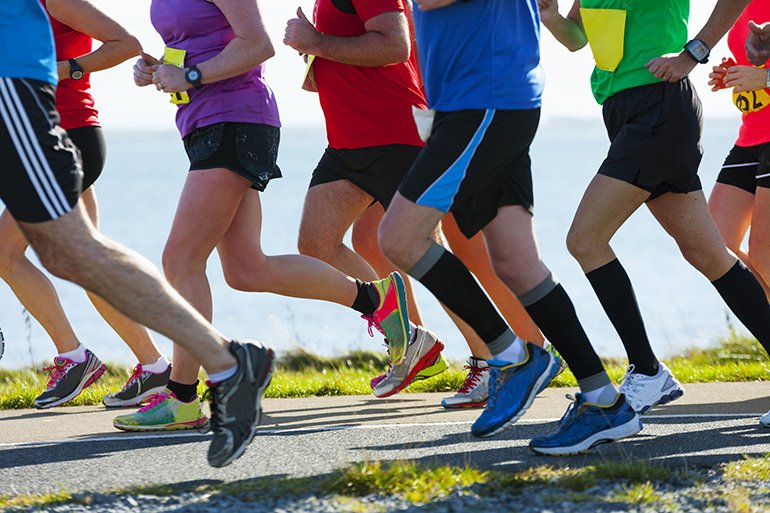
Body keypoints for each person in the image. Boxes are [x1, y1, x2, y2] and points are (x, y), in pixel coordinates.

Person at [1, 0, 275, 468]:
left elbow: (253, 44)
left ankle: (218, 366)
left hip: (29, 105)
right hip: (186, 121)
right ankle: (172, 368)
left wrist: (186, 76)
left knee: (79, 253)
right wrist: (170, 70)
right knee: (81, 255)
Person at [112, 0, 409, 431]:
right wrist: (160, 68)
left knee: (180, 261)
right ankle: (375, 300)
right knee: (246, 269)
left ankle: (182, 397)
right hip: (201, 121)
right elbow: (202, 44)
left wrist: (190, 75)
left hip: (235, 120)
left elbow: (259, 45)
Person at [376, 0, 641, 456]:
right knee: (518, 264)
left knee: (399, 237)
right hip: (484, 99)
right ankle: (604, 401)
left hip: (484, 100)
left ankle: (510, 357)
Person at [284, 0, 546, 403]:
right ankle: (412, 339)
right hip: (347, 143)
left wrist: (318, 41)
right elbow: (350, 58)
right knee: (316, 243)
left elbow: (396, 47)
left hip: (395, 135)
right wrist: (317, 50)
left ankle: (494, 359)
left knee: (430, 255)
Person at [538, 0, 770, 420]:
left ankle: (646, 371)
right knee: (708, 253)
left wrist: (693, 53)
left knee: (585, 240)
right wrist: (552, 18)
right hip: (624, 113)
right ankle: (649, 374)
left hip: (659, 108)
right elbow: (576, 39)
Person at [0, 0, 172, 410]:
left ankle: (74, 357)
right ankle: (155, 367)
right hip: (41, 142)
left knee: (4, 254)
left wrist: (64, 69)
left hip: (68, 136)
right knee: (88, 262)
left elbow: (126, 44)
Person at [707, 1, 770, 428]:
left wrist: (764, 76)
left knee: (764, 253)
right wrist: (731, 74)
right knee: (711, 242)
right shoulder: (735, 5)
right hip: (750, 137)